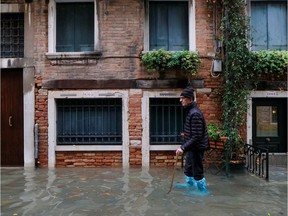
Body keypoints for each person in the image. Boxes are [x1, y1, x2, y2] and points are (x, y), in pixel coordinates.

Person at [176, 87, 209, 192]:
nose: (180, 100)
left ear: (189, 99)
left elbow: (197, 136)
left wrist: (183, 147)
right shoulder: (191, 111)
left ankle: (203, 192)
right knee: (188, 170)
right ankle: (189, 186)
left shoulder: (195, 114)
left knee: (197, 172)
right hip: (191, 148)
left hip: (197, 148)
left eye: (182, 98)